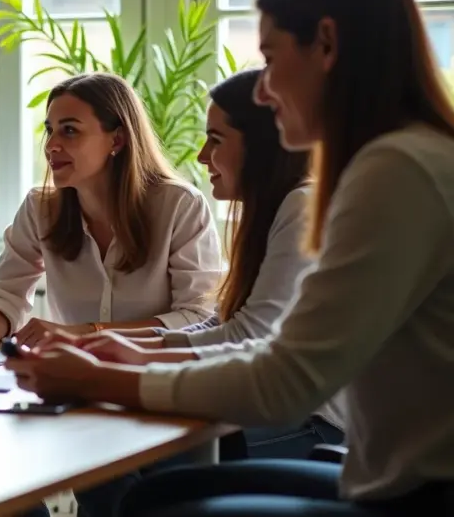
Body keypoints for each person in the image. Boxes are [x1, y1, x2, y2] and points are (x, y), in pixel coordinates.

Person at [7, 0, 454, 516]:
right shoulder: (405, 158)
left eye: (270, 58)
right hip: (386, 475)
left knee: (153, 503)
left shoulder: (395, 171)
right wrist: (124, 358)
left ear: (326, 43)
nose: (264, 90)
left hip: (416, 495)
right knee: (160, 494)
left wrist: (102, 379)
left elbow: (286, 379)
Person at [63, 68, 345, 462]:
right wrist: (122, 346)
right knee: (110, 445)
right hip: (280, 409)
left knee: (134, 455)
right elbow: (223, 323)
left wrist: (127, 361)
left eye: (215, 139)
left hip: (318, 424)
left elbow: (250, 335)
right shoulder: (271, 210)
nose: (201, 156)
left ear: (261, 144)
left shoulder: (301, 206)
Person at [0, 71, 223, 356]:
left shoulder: (180, 206)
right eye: (50, 130)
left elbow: (198, 318)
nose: (51, 146)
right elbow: (5, 295)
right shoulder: (40, 208)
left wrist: (86, 332)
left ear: (117, 140)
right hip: (70, 376)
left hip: (156, 375)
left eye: (70, 130)